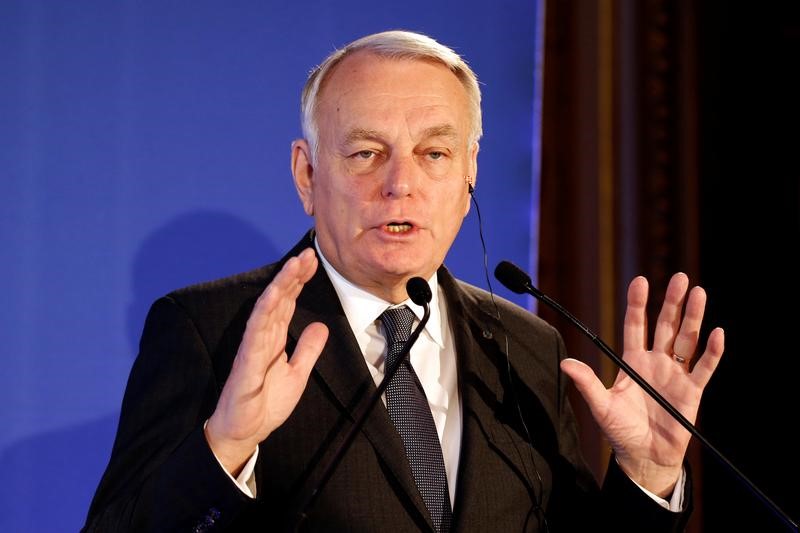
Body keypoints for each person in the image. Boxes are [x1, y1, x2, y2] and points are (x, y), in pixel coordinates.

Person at [83, 30, 724, 532]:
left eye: (434, 153)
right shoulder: (212, 330)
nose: (401, 184)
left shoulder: (525, 348)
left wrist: (648, 473)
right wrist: (225, 449)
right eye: (365, 153)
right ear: (307, 175)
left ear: (469, 171)